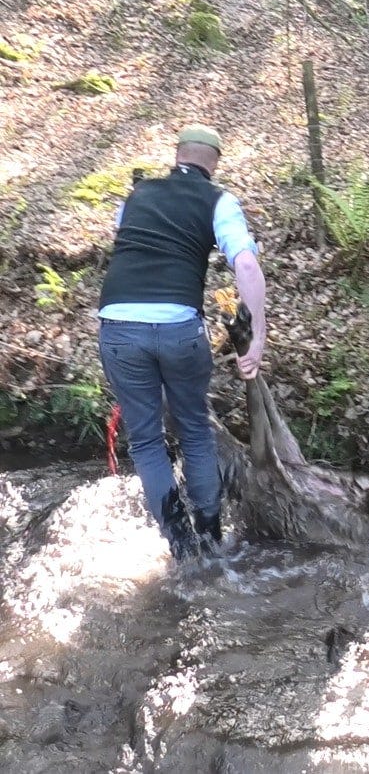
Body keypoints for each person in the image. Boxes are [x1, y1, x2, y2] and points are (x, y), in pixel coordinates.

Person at [98, 126, 266, 559]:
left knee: (147, 441)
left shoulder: (137, 196)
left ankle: (181, 549)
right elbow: (245, 264)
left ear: (177, 156)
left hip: (119, 325)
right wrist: (257, 338)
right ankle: (210, 541)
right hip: (179, 328)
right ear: (215, 162)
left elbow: (124, 242)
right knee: (194, 432)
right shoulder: (219, 201)